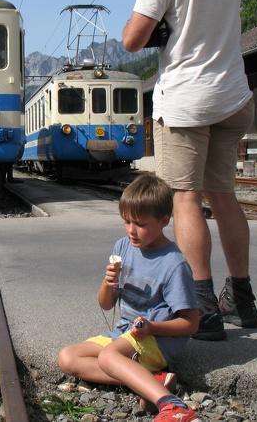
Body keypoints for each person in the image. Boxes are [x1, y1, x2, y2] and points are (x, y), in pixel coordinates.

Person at [122, 0, 257, 341]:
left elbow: (132, 40)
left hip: (187, 100)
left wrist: (157, 25)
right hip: (233, 94)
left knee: (185, 197)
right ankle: (242, 298)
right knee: (223, 196)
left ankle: (204, 309)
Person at [57, 174, 200, 422]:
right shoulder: (124, 246)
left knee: (108, 357)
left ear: (164, 221)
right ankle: (151, 380)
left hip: (157, 340)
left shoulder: (174, 264)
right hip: (125, 333)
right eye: (126, 222)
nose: (132, 231)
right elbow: (105, 304)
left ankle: (173, 405)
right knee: (67, 358)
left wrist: (152, 327)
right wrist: (108, 282)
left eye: (141, 224)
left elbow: (191, 323)